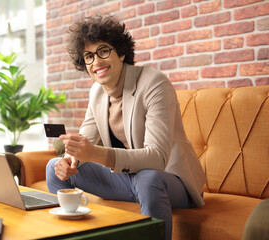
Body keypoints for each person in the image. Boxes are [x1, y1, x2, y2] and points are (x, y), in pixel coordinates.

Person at [46, 15, 206, 240]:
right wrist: (71, 161)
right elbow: (87, 138)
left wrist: (96, 153)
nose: (96, 62)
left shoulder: (154, 83)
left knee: (148, 178)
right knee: (54, 167)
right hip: (127, 179)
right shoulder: (97, 92)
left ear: (121, 52)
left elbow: (157, 158)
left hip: (170, 180)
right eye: (88, 56)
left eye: (103, 51)